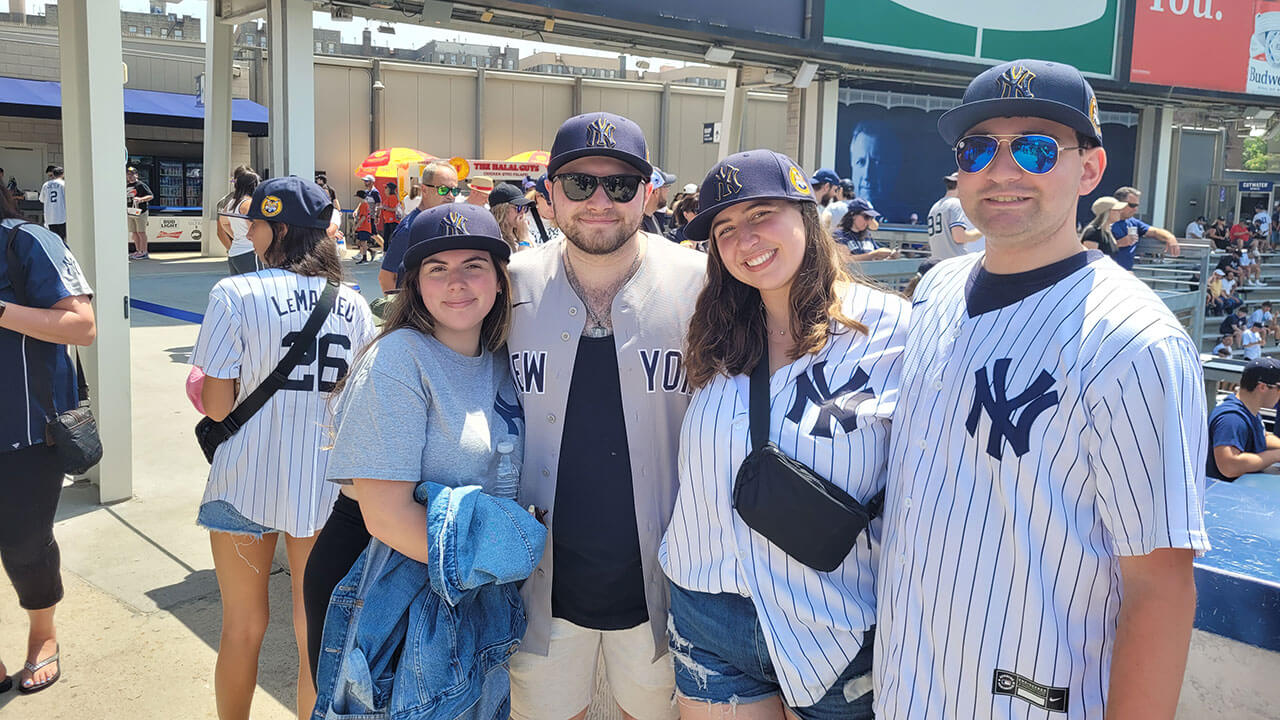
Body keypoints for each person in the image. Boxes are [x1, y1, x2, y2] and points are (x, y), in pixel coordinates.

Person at [878, 59, 1209, 720]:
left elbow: (1160, 586)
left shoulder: (1136, 341)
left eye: (1036, 148)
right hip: (907, 684)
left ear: (1089, 170)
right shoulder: (940, 289)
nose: (1002, 171)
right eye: (978, 149)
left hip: (1033, 699)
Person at [662, 149, 908, 719]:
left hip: (832, 617)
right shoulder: (712, 333)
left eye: (762, 215)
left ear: (806, 216)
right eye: (724, 229)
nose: (744, 239)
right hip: (707, 607)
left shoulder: (892, 330)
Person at [505, 111, 706, 720]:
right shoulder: (504, 287)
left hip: (667, 583)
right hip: (536, 579)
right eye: (578, 183)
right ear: (549, 196)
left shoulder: (705, 286)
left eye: (620, 185)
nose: (599, 201)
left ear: (648, 194)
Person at [305, 202, 526, 697]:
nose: (456, 283)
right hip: (379, 580)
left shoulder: (499, 358)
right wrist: (505, 556)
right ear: (415, 283)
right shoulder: (398, 361)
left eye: (474, 265)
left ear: (499, 278)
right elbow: (384, 516)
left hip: (451, 579)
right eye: (437, 268)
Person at [195, 176, 375, 720]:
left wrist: (201, 388)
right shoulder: (353, 302)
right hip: (326, 488)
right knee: (314, 634)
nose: (247, 232)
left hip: (244, 480)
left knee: (242, 627)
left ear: (276, 229)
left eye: (254, 223)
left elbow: (218, 406)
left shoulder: (234, 293)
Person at [0, 192, 96, 695]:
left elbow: (82, 326)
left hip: (25, 431)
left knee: (24, 543)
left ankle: (42, 635)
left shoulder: (26, 241)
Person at [380, 160, 461, 292]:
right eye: (443, 190)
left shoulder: (448, 222)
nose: (450, 196)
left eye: (455, 190)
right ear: (424, 190)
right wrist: (399, 310)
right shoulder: (410, 228)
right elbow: (387, 277)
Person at [1206, 358, 1280, 481]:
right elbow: (1229, 466)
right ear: (1262, 387)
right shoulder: (1232, 418)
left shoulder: (1249, 410)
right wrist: (1275, 455)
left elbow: (1262, 436)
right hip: (1221, 495)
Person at [1111, 186, 1180, 269]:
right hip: (1105, 272)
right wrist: (1120, 243)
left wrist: (1170, 238)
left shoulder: (1133, 222)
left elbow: (1154, 231)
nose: (1135, 209)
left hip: (1125, 273)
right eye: (1132, 205)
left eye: (1137, 205)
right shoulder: (1104, 222)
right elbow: (1093, 249)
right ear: (1118, 203)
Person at [926, 171, 984, 258]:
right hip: (954, 262)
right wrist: (981, 231)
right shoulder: (956, 204)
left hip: (938, 262)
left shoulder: (935, 207)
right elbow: (959, 237)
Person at [217, 170, 261, 275]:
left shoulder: (231, 203)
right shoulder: (248, 203)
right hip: (250, 252)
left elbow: (224, 223)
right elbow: (255, 228)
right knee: (255, 287)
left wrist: (237, 236)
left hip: (235, 253)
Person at [488, 182, 535, 252]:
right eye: (518, 208)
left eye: (524, 208)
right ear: (502, 210)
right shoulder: (494, 238)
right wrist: (524, 239)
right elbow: (523, 262)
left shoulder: (525, 233)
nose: (522, 213)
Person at [126, 166, 154, 260]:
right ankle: (138, 251)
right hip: (130, 212)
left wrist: (140, 199)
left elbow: (150, 196)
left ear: (136, 175)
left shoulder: (140, 185)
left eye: (132, 174)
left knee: (141, 232)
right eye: (128, 174)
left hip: (140, 211)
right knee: (134, 233)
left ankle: (144, 251)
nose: (130, 176)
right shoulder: (127, 185)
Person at [642, 167, 677, 235]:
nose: (668, 190)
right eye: (666, 186)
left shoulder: (652, 218)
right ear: (656, 191)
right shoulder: (638, 226)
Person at [39, 166, 66, 241]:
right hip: (62, 216)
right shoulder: (64, 184)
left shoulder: (46, 185)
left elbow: (42, 199)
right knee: (62, 239)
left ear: (53, 174)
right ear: (62, 174)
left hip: (49, 217)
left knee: (53, 239)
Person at [352, 190, 376, 264]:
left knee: (363, 242)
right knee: (360, 242)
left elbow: (363, 217)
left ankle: (365, 257)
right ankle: (371, 251)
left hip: (364, 226)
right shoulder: (364, 204)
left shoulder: (363, 205)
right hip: (364, 226)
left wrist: (356, 226)